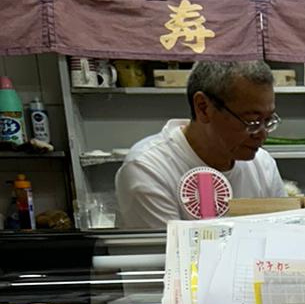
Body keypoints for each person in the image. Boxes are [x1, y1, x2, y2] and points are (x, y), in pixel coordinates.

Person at [115, 60, 285, 229]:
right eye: (252, 121)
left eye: (268, 120)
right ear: (203, 107)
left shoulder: (263, 165)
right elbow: (167, 253)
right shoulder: (149, 169)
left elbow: (284, 236)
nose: (262, 134)